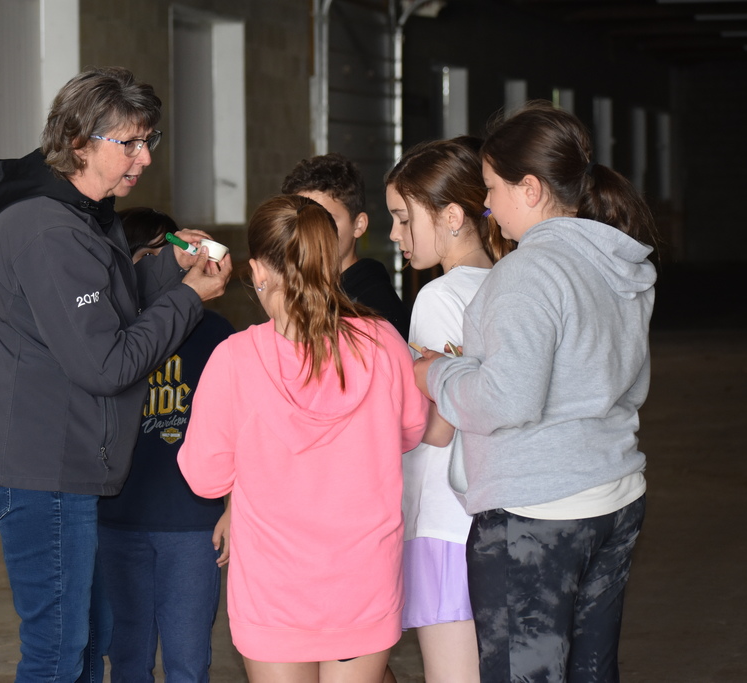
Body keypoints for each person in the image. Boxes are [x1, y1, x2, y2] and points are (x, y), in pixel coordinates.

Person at [0, 67, 232, 683]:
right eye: (128, 144)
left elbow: (107, 296)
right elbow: (106, 362)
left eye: (148, 142)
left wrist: (167, 269)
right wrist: (188, 297)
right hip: (39, 466)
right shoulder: (48, 230)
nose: (143, 159)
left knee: (88, 641)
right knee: (58, 652)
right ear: (79, 142)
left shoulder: (82, 212)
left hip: (63, 462)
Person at [414, 101, 657, 683]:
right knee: (591, 670)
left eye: (494, 188)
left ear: (530, 187)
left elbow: (504, 402)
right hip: (613, 495)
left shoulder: (528, 272)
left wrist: (434, 373)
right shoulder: (617, 259)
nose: (489, 206)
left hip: (537, 511)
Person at [176, 194, 428, 683]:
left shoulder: (233, 360)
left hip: (274, 588)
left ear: (257, 270)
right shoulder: (385, 344)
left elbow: (206, 478)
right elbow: (412, 429)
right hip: (363, 579)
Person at [384, 136, 512, 683]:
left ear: (453, 216)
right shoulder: (513, 282)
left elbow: (435, 428)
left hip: (442, 517)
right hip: (499, 511)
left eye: (403, 219)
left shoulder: (439, 298)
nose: (395, 235)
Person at [97, 207, 235, 683]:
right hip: (117, 521)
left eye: (172, 255)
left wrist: (234, 506)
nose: (168, 266)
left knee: (189, 661)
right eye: (151, 256)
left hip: (193, 524)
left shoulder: (217, 335)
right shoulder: (107, 338)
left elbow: (241, 429)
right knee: (127, 659)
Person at [282, 153, 410, 339]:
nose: (311, 231)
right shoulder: (305, 292)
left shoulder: (373, 309)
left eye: (326, 219)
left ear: (358, 225)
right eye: (302, 220)